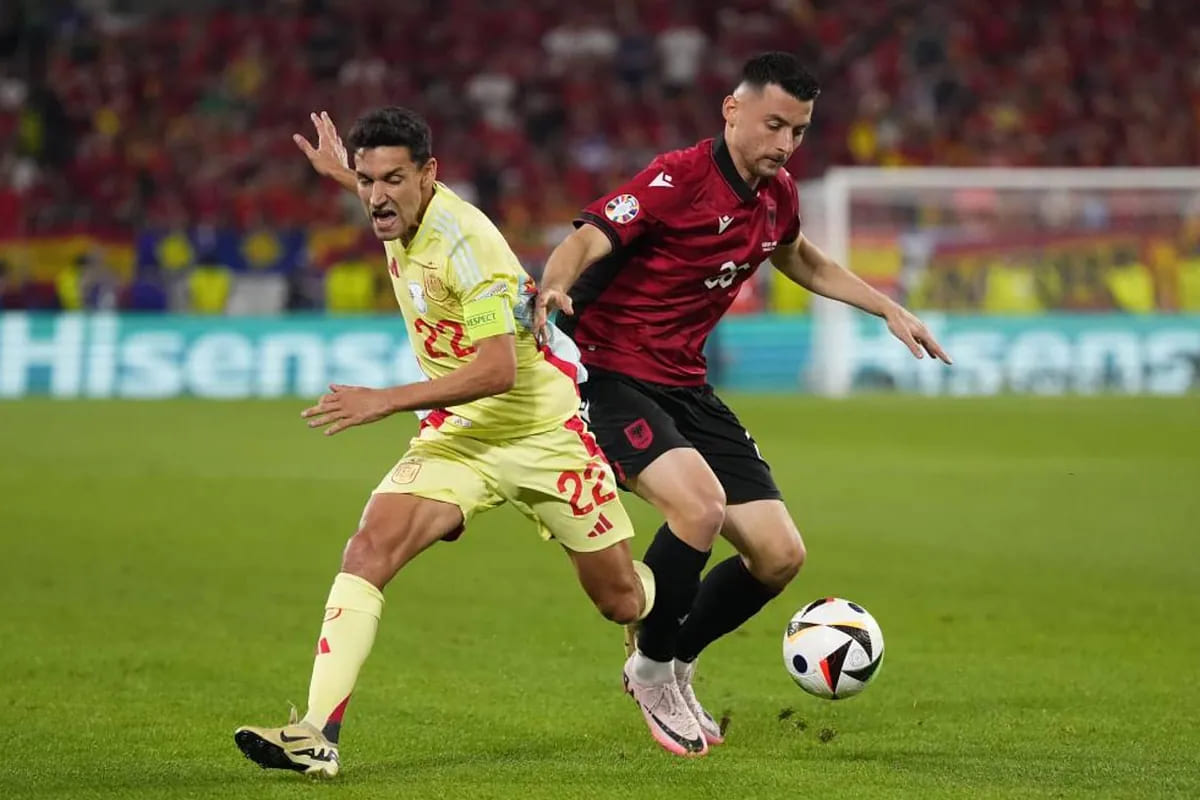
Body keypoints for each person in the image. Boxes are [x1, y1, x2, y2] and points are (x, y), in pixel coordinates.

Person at [533, 52, 951, 754]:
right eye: (773, 125)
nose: (785, 143)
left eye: (799, 130)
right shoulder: (676, 180)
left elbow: (800, 257)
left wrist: (884, 307)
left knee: (779, 555)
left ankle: (674, 655)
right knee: (698, 507)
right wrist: (551, 288)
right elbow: (588, 239)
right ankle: (653, 666)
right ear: (733, 110)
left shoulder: (778, 193)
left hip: (686, 383)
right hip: (608, 375)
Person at [234, 107, 660, 777]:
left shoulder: (469, 247)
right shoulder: (391, 205)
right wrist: (337, 170)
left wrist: (384, 399)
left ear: (429, 175)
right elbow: (378, 196)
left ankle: (657, 607)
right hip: (460, 432)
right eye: (367, 179)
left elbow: (499, 369)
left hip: (542, 432)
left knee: (621, 603)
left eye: (392, 179)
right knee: (370, 546)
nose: (376, 195)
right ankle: (316, 733)